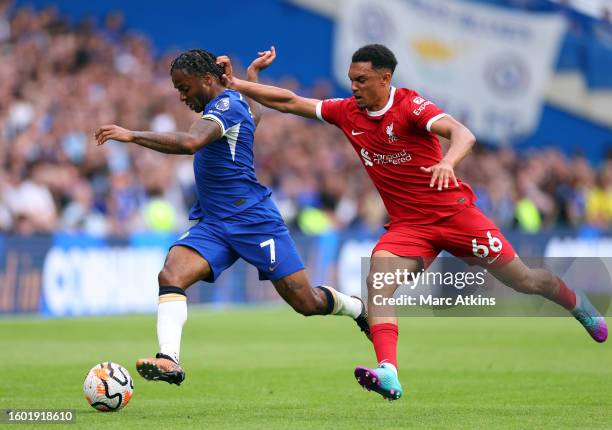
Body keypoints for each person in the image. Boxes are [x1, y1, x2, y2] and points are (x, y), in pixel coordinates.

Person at [218, 44, 608, 401]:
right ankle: (389, 371)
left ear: (385, 79)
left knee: (524, 280)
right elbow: (289, 101)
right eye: (351, 79)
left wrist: (447, 162)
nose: (353, 87)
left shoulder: (409, 106)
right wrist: (236, 82)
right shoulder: (347, 112)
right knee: (378, 281)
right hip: (410, 227)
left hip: (456, 215)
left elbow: (463, 134)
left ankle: (577, 303)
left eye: (362, 80)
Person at [94, 48, 369, 386]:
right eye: (177, 89)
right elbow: (253, 120)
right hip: (215, 224)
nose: (181, 96)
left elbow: (192, 142)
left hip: (254, 220)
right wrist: (252, 78)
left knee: (306, 302)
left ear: (208, 79)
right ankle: (169, 359)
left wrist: (132, 135)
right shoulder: (232, 106)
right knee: (171, 274)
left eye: (185, 87)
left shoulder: (226, 105)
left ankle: (357, 308)